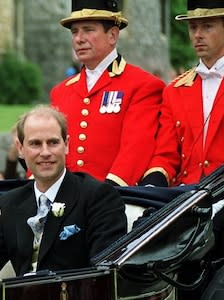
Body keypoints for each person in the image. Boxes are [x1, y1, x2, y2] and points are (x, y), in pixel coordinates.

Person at [0, 105, 127, 276]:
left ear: (66, 145)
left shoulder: (98, 197)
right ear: (20, 148)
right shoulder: (12, 203)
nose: (45, 152)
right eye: (35, 143)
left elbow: (105, 276)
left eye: (53, 142)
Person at [140, 0, 224, 235]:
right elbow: (165, 156)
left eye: (207, 27)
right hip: (184, 198)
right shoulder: (175, 89)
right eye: (193, 27)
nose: (197, 35)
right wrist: (149, 188)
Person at [50, 0, 165, 186]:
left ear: (112, 35)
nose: (79, 39)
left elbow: (136, 148)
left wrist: (109, 191)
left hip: (112, 198)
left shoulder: (143, 86)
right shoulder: (61, 91)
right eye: (74, 32)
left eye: (88, 30)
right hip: (64, 196)